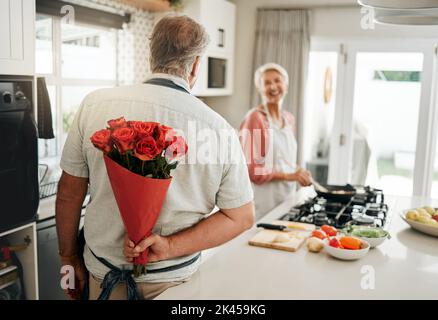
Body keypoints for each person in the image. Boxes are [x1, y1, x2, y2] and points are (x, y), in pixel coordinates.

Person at [56, 15, 254, 300]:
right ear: (196, 64)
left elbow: (68, 194)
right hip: (176, 287)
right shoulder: (219, 129)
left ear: (151, 55)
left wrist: (68, 257)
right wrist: (170, 246)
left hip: (102, 279)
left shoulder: (95, 104)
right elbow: (241, 217)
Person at [239, 63, 312, 220]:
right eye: (267, 83)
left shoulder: (289, 118)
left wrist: (298, 171)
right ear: (260, 89)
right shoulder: (255, 118)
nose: (273, 86)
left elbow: (284, 160)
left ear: (286, 85)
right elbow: (254, 171)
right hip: (264, 204)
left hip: (287, 199)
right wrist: (291, 176)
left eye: (277, 80)